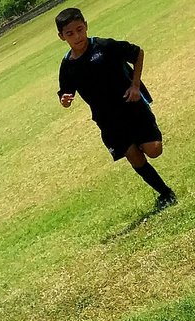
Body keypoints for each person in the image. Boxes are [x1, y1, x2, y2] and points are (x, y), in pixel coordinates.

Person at [56, 7, 176, 209]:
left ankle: (141, 139)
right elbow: (65, 92)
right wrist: (65, 100)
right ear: (61, 37)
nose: (77, 36)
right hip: (107, 120)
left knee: (154, 151)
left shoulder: (104, 46)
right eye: (70, 33)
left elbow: (137, 53)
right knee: (134, 157)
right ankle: (165, 193)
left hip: (132, 106)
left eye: (79, 29)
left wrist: (135, 85)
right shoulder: (68, 65)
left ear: (86, 26)